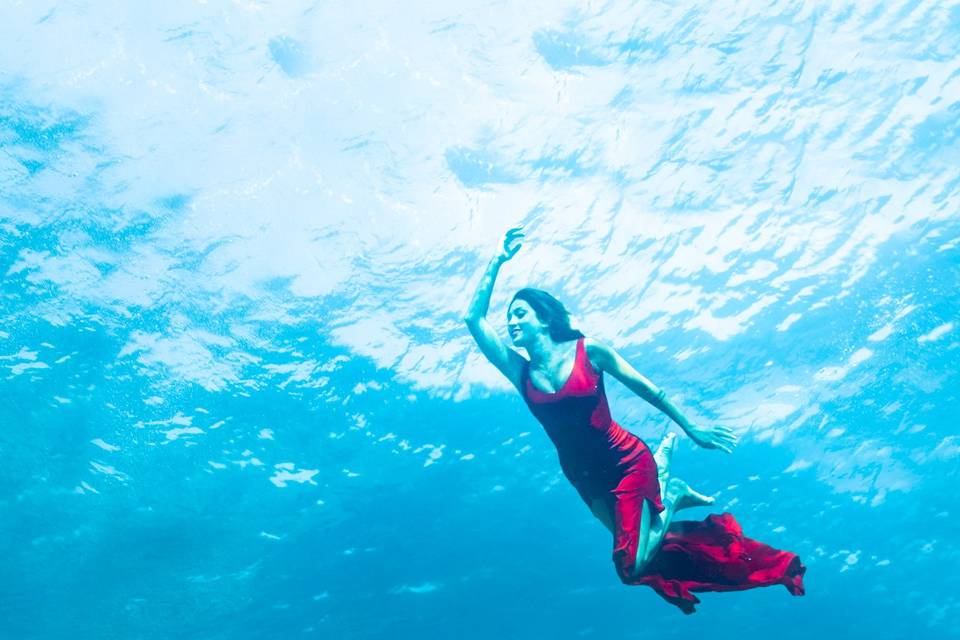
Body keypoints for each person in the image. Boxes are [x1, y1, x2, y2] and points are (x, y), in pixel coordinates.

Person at [463, 225, 805, 614]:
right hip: (583, 477)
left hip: (624, 461)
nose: (511, 322)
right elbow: (472, 319)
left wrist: (692, 427)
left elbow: (649, 389)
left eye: (520, 313)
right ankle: (663, 470)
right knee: (652, 554)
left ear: (543, 319)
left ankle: (670, 492)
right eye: (509, 317)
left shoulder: (588, 350)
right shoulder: (519, 371)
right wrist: (496, 260)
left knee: (630, 566)